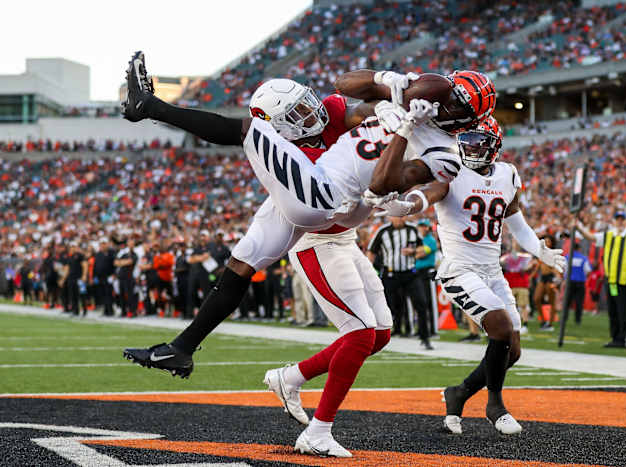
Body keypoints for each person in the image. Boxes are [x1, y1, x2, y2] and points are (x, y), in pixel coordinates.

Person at [121, 52, 493, 457]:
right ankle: (184, 349)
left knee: (377, 334)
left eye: (456, 106)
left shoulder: (442, 150)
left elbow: (386, 181)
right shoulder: (403, 103)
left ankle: (291, 378)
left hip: (327, 205)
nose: (445, 105)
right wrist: (394, 84)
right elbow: (349, 89)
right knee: (243, 262)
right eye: (450, 96)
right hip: (309, 204)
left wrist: (403, 127)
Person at [366, 115, 565, 436]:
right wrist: (406, 206)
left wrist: (539, 250)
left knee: (512, 350)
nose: (471, 147)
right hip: (459, 269)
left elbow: (515, 220)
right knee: (499, 326)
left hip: (492, 271)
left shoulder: (507, 175)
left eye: (479, 142)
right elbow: (429, 194)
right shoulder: (453, 170)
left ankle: (458, 393)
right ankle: (495, 406)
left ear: (495, 146)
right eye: (467, 141)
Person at [577, 211, 626, 348]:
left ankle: (625, 339)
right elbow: (592, 238)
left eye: (622, 219)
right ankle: (615, 337)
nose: (620, 222)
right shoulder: (608, 235)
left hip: (624, 280)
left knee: (624, 309)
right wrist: (579, 227)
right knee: (613, 308)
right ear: (614, 221)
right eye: (618, 219)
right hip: (611, 280)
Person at [367, 216, 433, 349]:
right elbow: (371, 251)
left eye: (402, 216)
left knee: (421, 303)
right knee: (389, 306)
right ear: (391, 217)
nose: (400, 219)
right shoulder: (383, 230)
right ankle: (380, 337)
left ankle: (425, 337)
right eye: (397, 216)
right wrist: (368, 271)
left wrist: (413, 251)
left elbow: (423, 249)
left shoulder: (413, 229)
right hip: (390, 275)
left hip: (410, 273)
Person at [500, 244, 533, 333]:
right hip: (509, 283)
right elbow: (502, 265)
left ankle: (525, 325)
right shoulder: (506, 255)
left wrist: (523, 267)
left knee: (523, 305)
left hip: (522, 283)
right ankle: (508, 324)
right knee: (507, 306)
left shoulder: (526, 256)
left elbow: (531, 265)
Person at [532, 235, 561, 331]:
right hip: (543, 277)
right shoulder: (541, 253)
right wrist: (531, 276)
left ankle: (550, 324)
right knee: (536, 299)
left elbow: (557, 268)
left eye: (548, 241)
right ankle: (543, 321)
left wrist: (557, 278)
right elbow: (538, 267)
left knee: (551, 301)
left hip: (550, 278)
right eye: (545, 241)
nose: (547, 243)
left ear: (552, 243)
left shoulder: (553, 254)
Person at [415, 218, 438, 335]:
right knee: (420, 302)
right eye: (420, 226)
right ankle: (422, 329)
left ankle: (433, 330)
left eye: (424, 226)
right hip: (417, 272)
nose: (422, 228)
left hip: (427, 272)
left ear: (428, 228)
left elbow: (420, 254)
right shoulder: (418, 239)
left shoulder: (430, 240)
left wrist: (413, 251)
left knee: (430, 302)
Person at [563, 241, 592, 325]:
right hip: (580, 282)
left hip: (570, 282)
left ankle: (564, 318)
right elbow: (588, 270)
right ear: (579, 249)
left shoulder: (568, 257)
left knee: (567, 302)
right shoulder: (583, 258)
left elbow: (565, 270)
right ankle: (578, 320)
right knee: (579, 302)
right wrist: (584, 276)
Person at [93, 238, 116, 316]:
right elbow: (95, 266)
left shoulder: (111, 253)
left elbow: (114, 265)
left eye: (104, 244)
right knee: (102, 294)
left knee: (108, 294)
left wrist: (114, 274)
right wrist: (94, 276)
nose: (103, 245)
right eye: (101, 244)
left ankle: (110, 311)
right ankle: (106, 310)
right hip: (100, 277)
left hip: (108, 276)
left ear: (107, 244)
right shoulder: (98, 254)